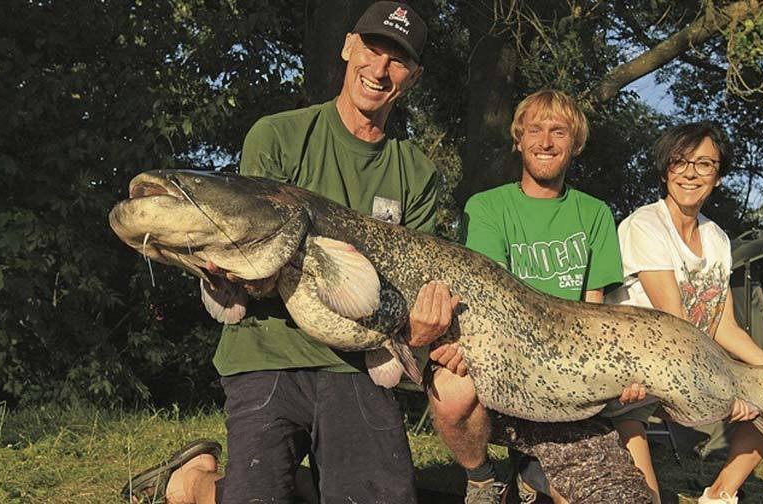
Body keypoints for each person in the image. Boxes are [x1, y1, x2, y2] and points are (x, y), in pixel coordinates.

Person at [122, 3, 459, 503]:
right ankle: (190, 482)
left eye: (398, 59)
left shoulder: (416, 172)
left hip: (356, 363)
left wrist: (424, 325)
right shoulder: (277, 135)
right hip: (266, 348)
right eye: (371, 48)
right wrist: (232, 271)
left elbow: (422, 283)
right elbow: (250, 255)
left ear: (413, 75)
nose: (380, 69)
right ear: (348, 46)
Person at [428, 89, 647, 504]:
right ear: (519, 138)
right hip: (502, 355)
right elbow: (492, 303)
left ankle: (533, 473)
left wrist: (619, 377)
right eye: (535, 130)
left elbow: (592, 311)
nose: (546, 142)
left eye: (559, 131)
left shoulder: (596, 213)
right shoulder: (487, 208)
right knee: (451, 391)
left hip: (568, 369)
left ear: (575, 143)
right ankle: (481, 477)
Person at [605, 122, 763, 504]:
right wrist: (725, 387)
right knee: (646, 498)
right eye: (680, 162)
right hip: (633, 376)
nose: (691, 173)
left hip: (688, 368)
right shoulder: (645, 225)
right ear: (665, 170)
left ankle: (720, 494)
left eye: (704, 164)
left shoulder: (717, 238)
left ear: (718, 177)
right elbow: (675, 323)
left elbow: (724, 324)